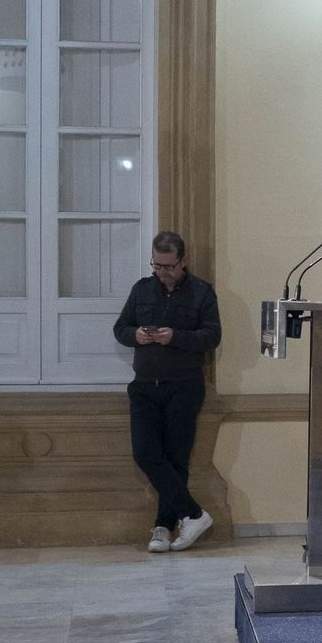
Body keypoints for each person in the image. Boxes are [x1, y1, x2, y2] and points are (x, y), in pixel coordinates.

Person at [113, 230, 222, 553]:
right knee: (145, 453)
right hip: (145, 385)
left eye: (169, 267)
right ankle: (194, 514)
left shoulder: (202, 293)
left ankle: (162, 528)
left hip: (184, 386)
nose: (163, 273)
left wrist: (174, 336)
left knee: (176, 460)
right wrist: (137, 335)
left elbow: (212, 337)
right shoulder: (142, 289)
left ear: (183, 261)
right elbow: (120, 328)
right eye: (157, 266)